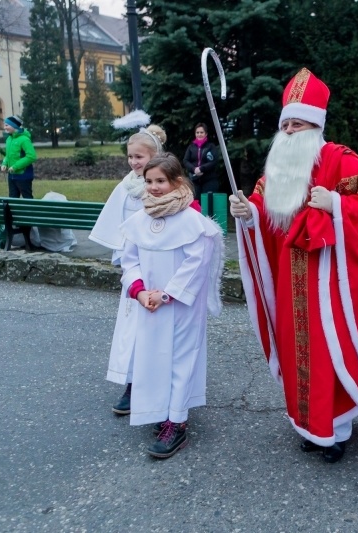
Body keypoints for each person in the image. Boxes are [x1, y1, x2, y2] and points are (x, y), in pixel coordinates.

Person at [228, 68, 358, 464]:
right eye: (286, 123)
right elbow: (262, 208)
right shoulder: (275, 169)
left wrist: (339, 206)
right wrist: (247, 213)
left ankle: (336, 429)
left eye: (299, 123)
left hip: (330, 285)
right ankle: (308, 423)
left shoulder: (341, 160)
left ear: (316, 124)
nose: (291, 130)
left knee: (330, 351)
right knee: (299, 355)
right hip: (290, 284)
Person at [118, 153, 224, 459]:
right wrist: (139, 292)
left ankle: (176, 424)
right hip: (148, 301)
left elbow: (196, 265)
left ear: (177, 181)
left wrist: (166, 295)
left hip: (178, 305)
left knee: (180, 359)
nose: (153, 187)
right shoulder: (140, 218)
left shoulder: (192, 221)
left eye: (160, 181)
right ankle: (160, 409)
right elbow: (130, 259)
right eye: (149, 181)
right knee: (153, 356)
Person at [89, 125, 168, 415]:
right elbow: (120, 229)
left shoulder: (165, 186)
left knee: (158, 328)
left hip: (161, 268)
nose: (134, 162)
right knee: (132, 329)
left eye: (140, 157)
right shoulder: (126, 187)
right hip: (135, 271)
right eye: (130, 157)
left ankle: (161, 385)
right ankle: (133, 383)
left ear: (155, 156)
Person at [0, 115, 37, 198]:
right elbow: (8, 155)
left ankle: (29, 211)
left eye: (6, 125)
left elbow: (31, 156)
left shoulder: (24, 139)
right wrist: (4, 163)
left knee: (27, 199)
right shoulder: (9, 139)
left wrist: (15, 166)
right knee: (12, 200)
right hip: (12, 175)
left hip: (23, 175)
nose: (4, 127)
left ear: (14, 126)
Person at [182, 123, 220, 199]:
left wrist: (201, 168)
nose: (199, 134)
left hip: (209, 180)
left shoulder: (211, 146)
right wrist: (194, 169)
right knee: (195, 202)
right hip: (195, 180)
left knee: (208, 203)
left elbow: (214, 161)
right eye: (197, 132)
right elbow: (185, 161)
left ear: (206, 134)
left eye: (201, 132)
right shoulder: (191, 147)